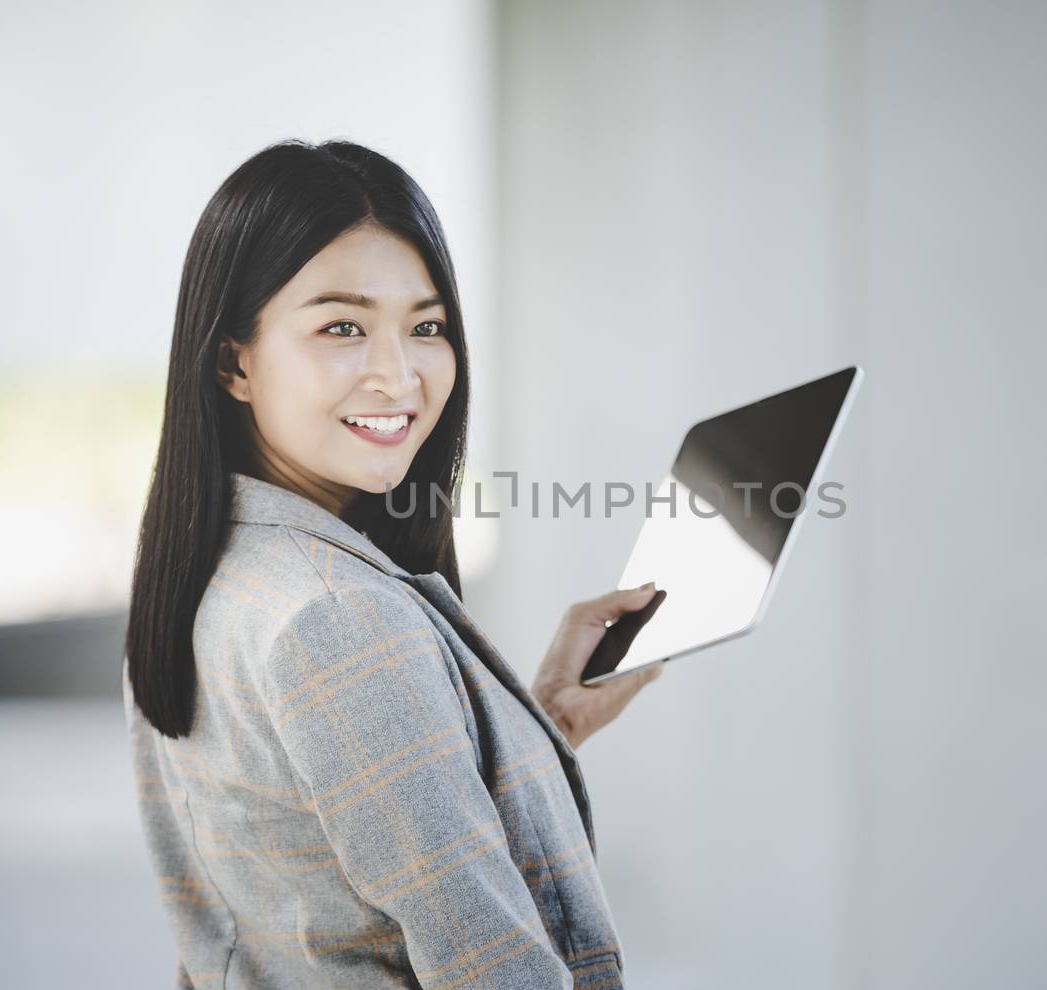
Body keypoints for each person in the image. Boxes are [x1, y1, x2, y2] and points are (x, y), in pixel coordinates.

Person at [123, 138, 663, 989]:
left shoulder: (207, 570)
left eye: (427, 327)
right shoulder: (336, 614)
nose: (398, 374)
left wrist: (534, 727)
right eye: (342, 326)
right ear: (234, 360)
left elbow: (311, 866)